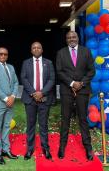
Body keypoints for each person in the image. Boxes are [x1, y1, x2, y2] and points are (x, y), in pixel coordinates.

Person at [56, 31, 95, 161]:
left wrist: (81, 83)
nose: (71, 39)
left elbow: (91, 70)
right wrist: (72, 83)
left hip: (82, 90)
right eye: (68, 37)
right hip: (67, 90)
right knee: (65, 119)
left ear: (78, 38)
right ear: (66, 40)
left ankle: (88, 148)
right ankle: (62, 147)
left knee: (83, 119)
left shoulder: (86, 51)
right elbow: (59, 71)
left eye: (73, 37)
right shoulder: (61, 53)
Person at [20, 42, 55, 160]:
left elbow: (52, 79)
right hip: (30, 99)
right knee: (30, 125)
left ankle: (45, 148)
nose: (36, 49)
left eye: (38, 47)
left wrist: (42, 93)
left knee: (44, 125)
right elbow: (23, 78)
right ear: (31, 50)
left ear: (42, 49)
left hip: (44, 98)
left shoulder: (48, 63)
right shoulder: (26, 63)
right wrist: (34, 93)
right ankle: (30, 149)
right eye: (33, 47)